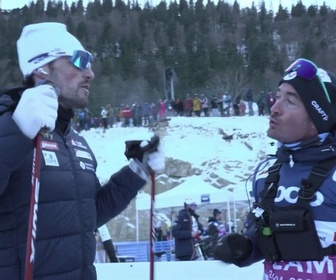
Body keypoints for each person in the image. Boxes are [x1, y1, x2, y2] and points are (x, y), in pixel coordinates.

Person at [0, 22, 165, 280]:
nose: (90, 73)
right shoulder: (7, 123)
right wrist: (16, 131)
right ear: (42, 67)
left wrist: (136, 172)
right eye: (79, 60)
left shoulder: (74, 140)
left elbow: (88, 216)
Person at [213, 58, 336, 280]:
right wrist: (244, 248)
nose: (275, 108)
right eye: (278, 96)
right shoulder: (266, 173)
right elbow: (263, 238)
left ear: (317, 119)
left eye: (290, 101)